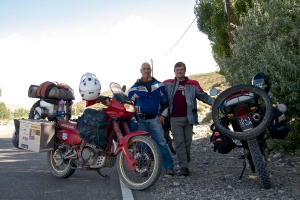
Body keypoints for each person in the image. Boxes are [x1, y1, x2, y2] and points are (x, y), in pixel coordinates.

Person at [163, 61, 215, 176]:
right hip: (174, 119)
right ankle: (183, 167)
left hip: (189, 117)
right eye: (177, 70)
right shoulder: (168, 83)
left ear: (185, 71)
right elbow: (156, 88)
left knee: (187, 142)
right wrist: (141, 81)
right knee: (179, 142)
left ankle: (185, 163)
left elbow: (202, 95)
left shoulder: (193, 83)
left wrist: (213, 102)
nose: (179, 71)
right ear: (174, 72)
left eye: (181, 69)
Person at [128, 62, 175, 176]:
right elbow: (129, 105)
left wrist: (163, 115)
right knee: (142, 145)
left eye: (148, 69)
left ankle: (169, 166)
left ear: (151, 70)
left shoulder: (159, 85)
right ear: (140, 71)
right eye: (144, 69)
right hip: (141, 120)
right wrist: (135, 118)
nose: (146, 71)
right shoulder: (134, 88)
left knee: (162, 143)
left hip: (155, 119)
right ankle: (144, 168)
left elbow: (165, 102)